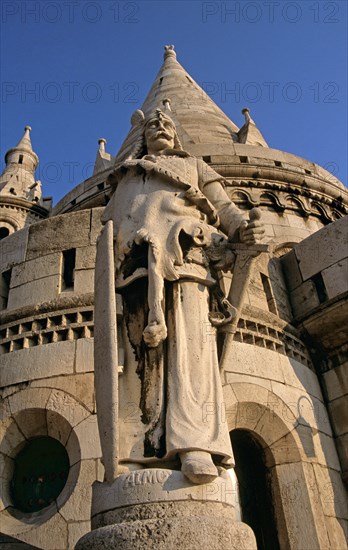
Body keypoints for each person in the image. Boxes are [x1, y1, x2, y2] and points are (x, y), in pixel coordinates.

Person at [102, 108, 264, 484]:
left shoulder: (193, 166)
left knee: (191, 355)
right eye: (152, 124)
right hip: (135, 274)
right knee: (141, 362)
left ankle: (195, 445)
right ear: (142, 136)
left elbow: (225, 210)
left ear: (176, 135)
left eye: (166, 123)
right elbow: (109, 228)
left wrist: (243, 233)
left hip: (189, 263)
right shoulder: (126, 178)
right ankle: (142, 449)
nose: (159, 126)